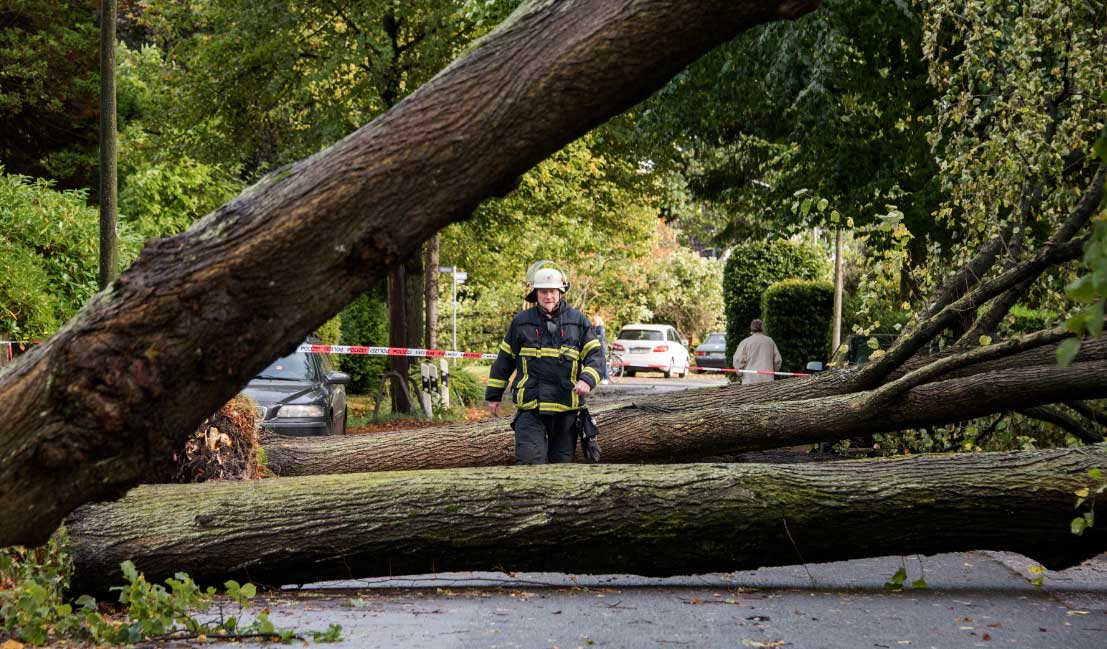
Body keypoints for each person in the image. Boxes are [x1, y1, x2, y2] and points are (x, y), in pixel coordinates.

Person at [486, 264, 604, 464]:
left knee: (561, 466)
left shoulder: (578, 321)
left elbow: (595, 356)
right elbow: (504, 361)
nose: (548, 296)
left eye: (552, 291)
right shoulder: (521, 322)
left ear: (560, 292)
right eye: (543, 291)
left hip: (566, 407)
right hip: (531, 406)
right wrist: (493, 396)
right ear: (535, 293)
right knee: (530, 463)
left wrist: (587, 379)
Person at [732, 319, 782, 384]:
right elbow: (777, 360)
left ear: (751, 328)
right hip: (767, 379)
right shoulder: (770, 341)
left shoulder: (745, 342)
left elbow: (737, 360)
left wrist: (740, 373)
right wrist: (773, 372)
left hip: (749, 379)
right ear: (762, 328)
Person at [592, 314, 610, 384]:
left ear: (599, 321)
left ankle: (606, 378)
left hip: (602, 348)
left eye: (595, 321)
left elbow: (602, 337)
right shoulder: (593, 328)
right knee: (597, 363)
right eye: (593, 321)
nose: (594, 322)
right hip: (596, 347)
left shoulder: (601, 328)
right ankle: (599, 377)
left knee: (603, 363)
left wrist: (594, 337)